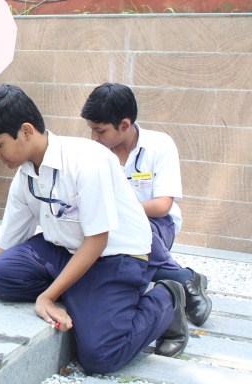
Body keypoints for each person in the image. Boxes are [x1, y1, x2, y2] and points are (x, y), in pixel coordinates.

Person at [0, 84, 188, 375]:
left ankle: (168, 299)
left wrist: (47, 296)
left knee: (100, 357)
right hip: (66, 249)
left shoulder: (87, 161)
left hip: (115, 257)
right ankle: (82, 294)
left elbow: (97, 240)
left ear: (26, 131)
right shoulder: (25, 174)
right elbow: (5, 244)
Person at [80, 82, 212, 326]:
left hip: (157, 224)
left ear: (125, 125)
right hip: (111, 226)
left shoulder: (159, 145)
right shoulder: (94, 153)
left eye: (100, 131)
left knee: (132, 233)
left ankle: (177, 284)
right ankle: (183, 278)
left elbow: (162, 205)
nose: (94, 137)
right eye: (91, 130)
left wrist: (123, 213)